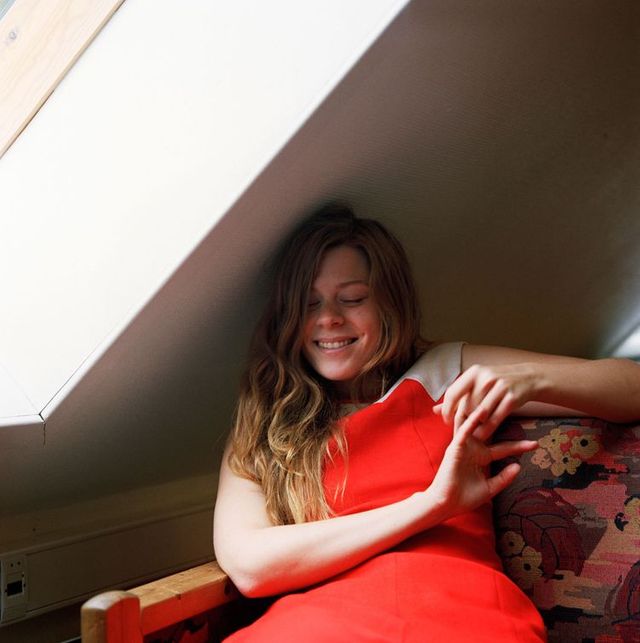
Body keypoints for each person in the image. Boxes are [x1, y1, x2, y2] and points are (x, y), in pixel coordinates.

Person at [213, 204, 640, 642]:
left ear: (390, 303)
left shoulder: (444, 371)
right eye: (309, 303)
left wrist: (535, 378)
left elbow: (633, 387)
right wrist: (432, 505)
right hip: (318, 623)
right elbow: (250, 566)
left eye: (352, 299)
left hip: (459, 613)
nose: (328, 319)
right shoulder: (265, 422)